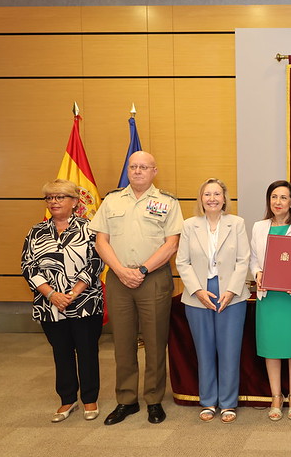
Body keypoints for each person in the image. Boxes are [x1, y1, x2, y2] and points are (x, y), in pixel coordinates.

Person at [89, 151, 183, 425]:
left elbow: (171, 244)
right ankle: (126, 400)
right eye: (133, 167)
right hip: (118, 278)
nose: (138, 171)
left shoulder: (167, 202)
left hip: (153, 278)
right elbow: (101, 241)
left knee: (155, 341)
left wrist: (142, 270)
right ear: (128, 170)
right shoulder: (112, 200)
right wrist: (120, 271)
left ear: (154, 171)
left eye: (144, 167)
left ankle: (154, 399)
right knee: (123, 342)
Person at [21, 179, 105, 423]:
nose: (53, 202)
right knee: (61, 351)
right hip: (50, 306)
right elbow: (28, 266)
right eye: (49, 198)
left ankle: (90, 398)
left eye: (60, 197)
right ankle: (67, 399)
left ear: (75, 201)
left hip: (85, 302)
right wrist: (52, 294)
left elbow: (96, 263)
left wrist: (74, 293)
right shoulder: (36, 231)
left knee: (87, 351)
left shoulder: (90, 229)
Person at [176, 178, 250, 424]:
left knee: (229, 350)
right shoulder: (189, 225)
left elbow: (243, 260)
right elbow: (182, 262)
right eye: (207, 194)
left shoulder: (236, 223)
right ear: (201, 198)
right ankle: (208, 401)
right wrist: (198, 290)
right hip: (198, 294)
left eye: (217, 194)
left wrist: (231, 290)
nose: (212, 198)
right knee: (204, 350)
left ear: (224, 198)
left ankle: (228, 403)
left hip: (232, 294)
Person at [250, 180, 291, 421]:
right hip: (270, 297)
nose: (278, 202)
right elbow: (253, 259)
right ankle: (276, 396)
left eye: (283, 197)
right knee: (272, 347)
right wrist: (257, 273)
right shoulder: (259, 227)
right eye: (274, 197)